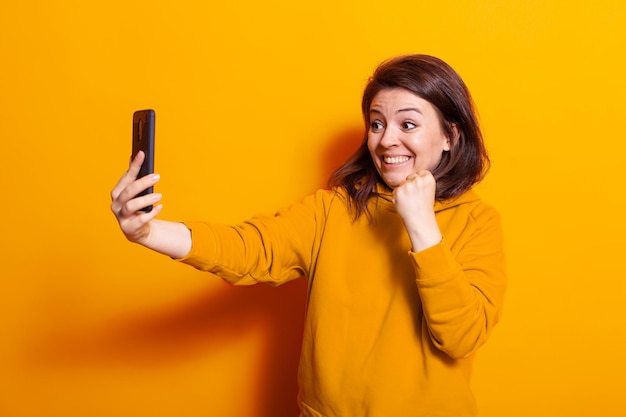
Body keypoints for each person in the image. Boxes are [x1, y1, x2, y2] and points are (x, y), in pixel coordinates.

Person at [111, 54, 506, 417]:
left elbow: (461, 337)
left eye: (408, 124)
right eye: (376, 123)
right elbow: (249, 249)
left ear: (450, 136)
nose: (386, 140)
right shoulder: (333, 209)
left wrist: (422, 225)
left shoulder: (478, 223)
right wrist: (147, 231)